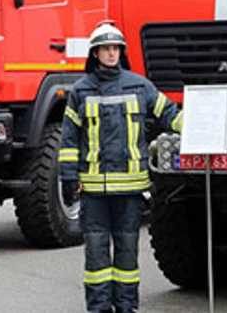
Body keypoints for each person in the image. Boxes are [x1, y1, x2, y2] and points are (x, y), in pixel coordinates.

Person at [60, 22, 183, 313]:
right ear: (95, 53)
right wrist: (68, 176)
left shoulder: (140, 85)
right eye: (106, 48)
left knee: (127, 253)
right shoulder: (80, 91)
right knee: (96, 255)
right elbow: (69, 139)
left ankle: (127, 306)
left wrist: (200, 129)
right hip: (93, 190)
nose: (111, 53)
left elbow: (169, 113)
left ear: (121, 52)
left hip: (129, 189)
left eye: (115, 48)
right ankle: (99, 307)